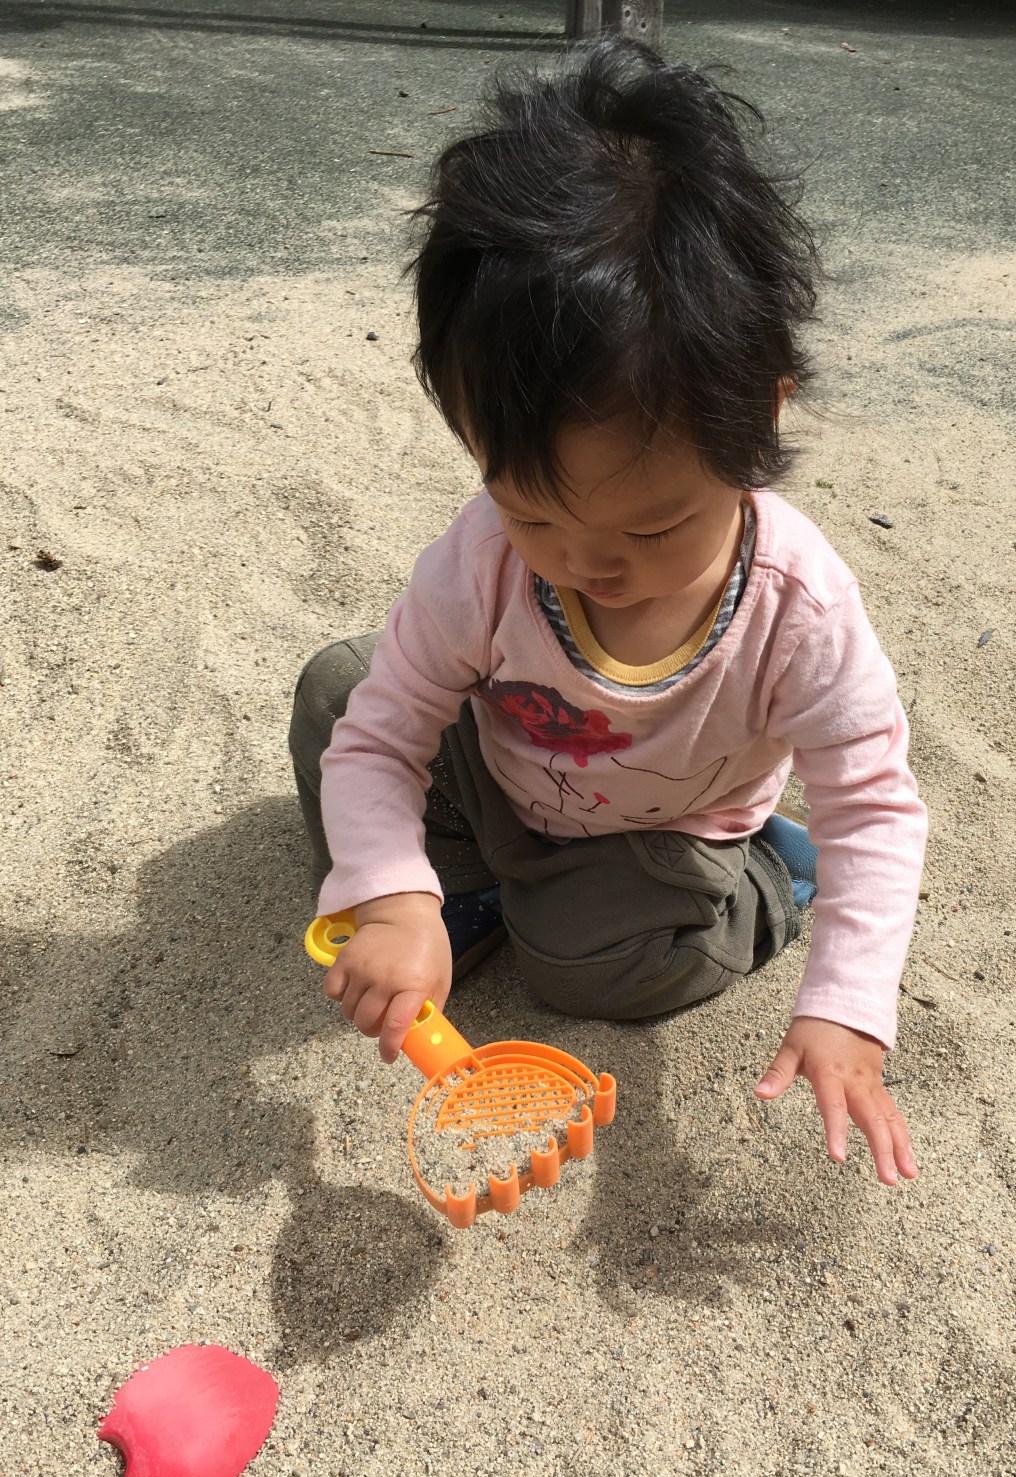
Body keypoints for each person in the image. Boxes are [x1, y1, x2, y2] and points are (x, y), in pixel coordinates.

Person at [289, 38, 927, 1187]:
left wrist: (846, 1006)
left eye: (649, 530)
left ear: (757, 419)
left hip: (667, 837)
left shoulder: (797, 607)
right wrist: (387, 896)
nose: (588, 567)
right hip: (511, 776)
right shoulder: (483, 561)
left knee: (581, 965)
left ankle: (767, 887)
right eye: (534, 513)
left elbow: (877, 810)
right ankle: (454, 897)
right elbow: (385, 731)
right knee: (336, 693)